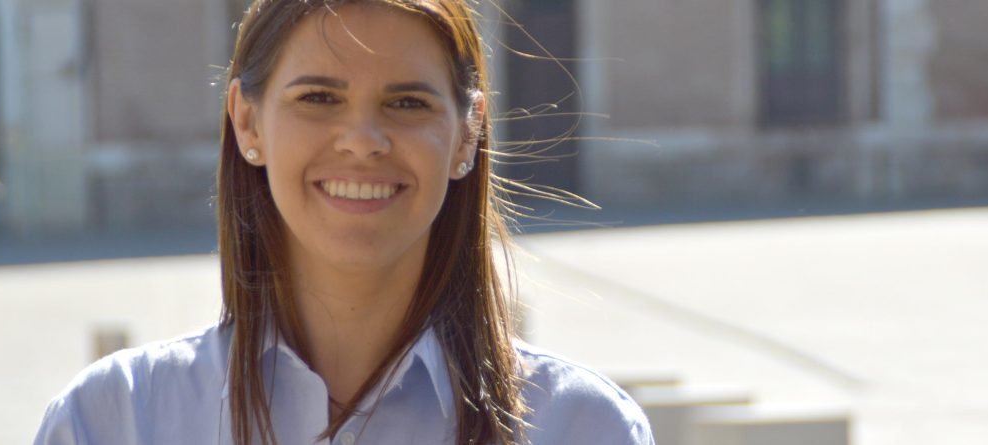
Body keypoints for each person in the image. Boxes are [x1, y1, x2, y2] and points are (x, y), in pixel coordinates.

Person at [33, 1, 653, 444]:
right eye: (318, 99)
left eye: (408, 102)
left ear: (468, 135)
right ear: (248, 123)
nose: (363, 141)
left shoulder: (584, 427)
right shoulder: (114, 420)